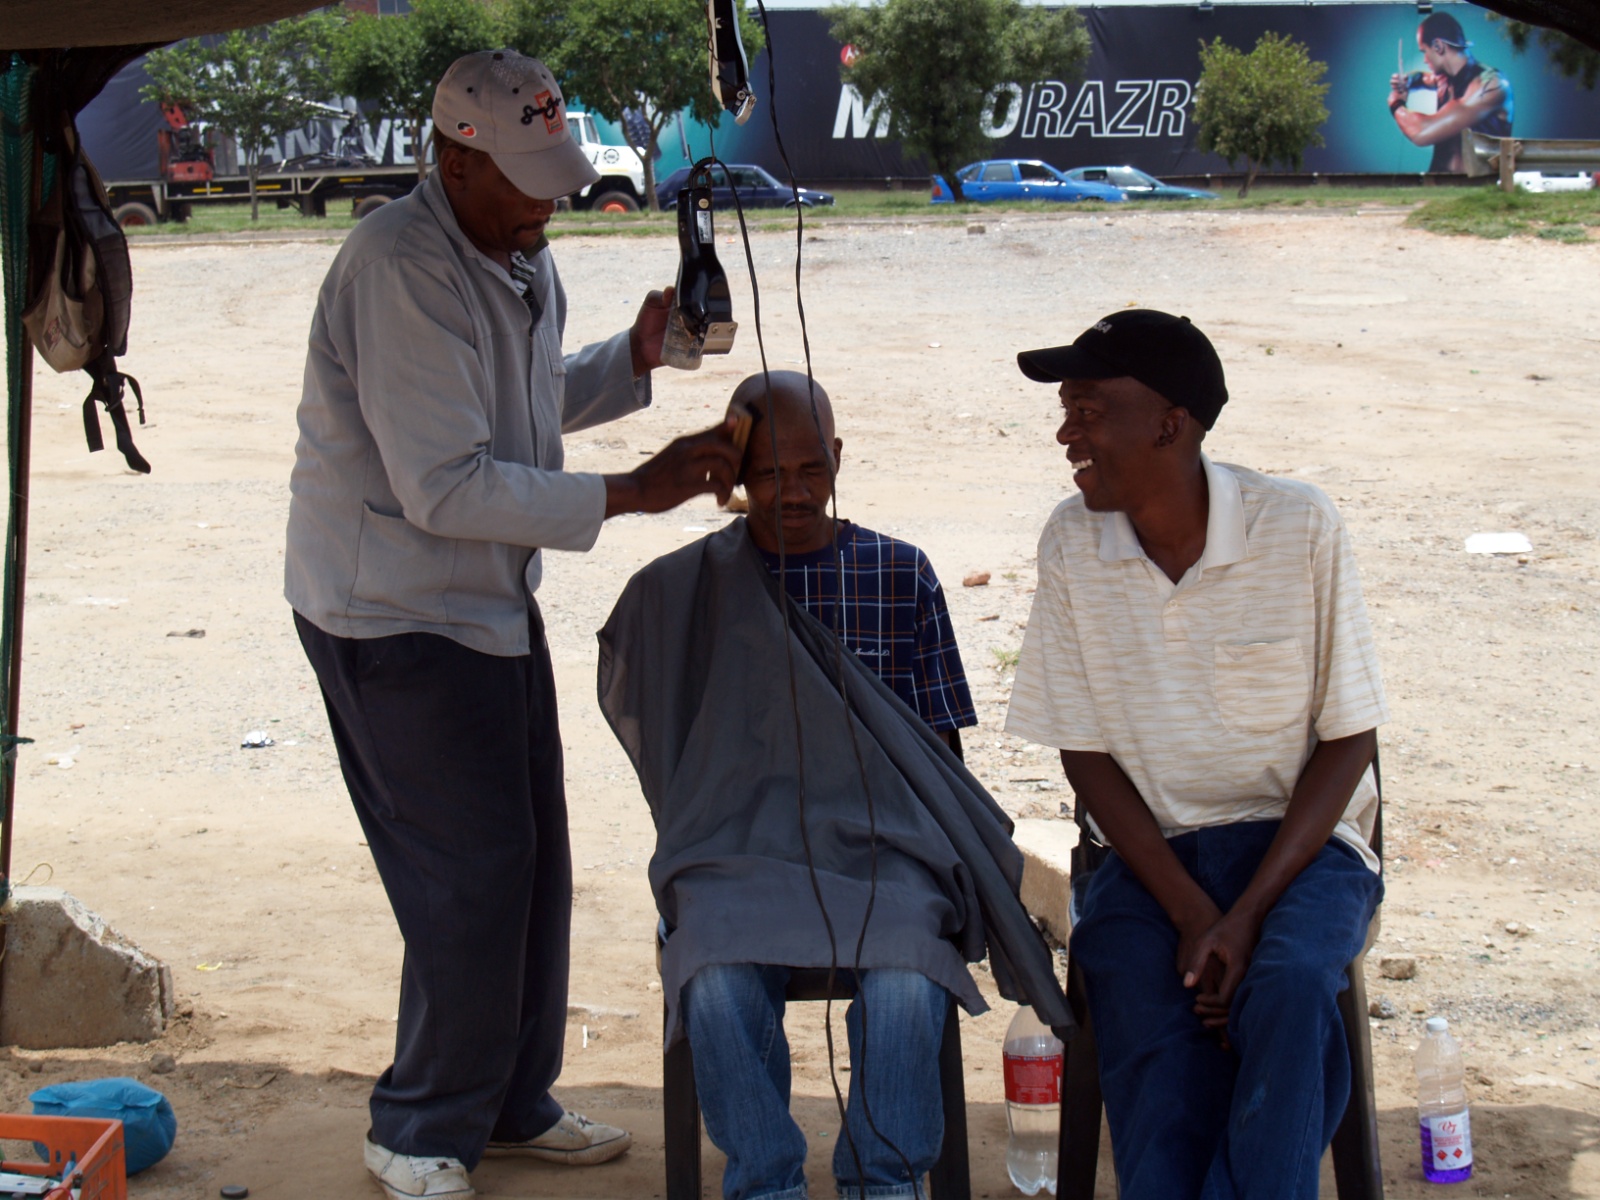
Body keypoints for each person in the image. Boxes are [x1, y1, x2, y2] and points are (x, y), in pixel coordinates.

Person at [284, 50, 740, 1200]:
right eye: (525, 180)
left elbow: (524, 414)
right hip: (391, 611)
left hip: (485, 601)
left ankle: (508, 1101)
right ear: (453, 157)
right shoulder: (400, 269)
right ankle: (420, 1123)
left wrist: (633, 361)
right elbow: (445, 483)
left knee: (528, 857)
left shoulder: (518, 257)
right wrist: (633, 491)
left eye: (557, 176)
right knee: (467, 874)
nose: (548, 201)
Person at [597, 371, 1070, 1200]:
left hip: (887, 854)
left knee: (904, 985)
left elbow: (937, 760)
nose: (793, 492)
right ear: (733, 476)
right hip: (736, 854)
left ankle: (884, 1181)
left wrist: (936, 866)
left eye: (812, 469)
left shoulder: (899, 574)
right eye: (771, 473)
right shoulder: (689, 590)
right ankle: (765, 1181)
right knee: (712, 981)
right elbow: (666, 742)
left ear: (840, 460)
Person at [1005, 310, 1388, 1200]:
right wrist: (1192, 914)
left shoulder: (1298, 526)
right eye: (1066, 410)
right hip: (1151, 862)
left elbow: (1350, 736)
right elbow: (1086, 756)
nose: (1068, 434)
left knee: (1290, 988)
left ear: (1171, 424)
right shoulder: (1073, 541)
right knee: (1143, 1008)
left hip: (1305, 852)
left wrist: (1245, 917)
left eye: (1091, 410)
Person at [1388, 11, 1513, 173]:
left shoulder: (1490, 85)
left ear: (1438, 46)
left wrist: (1396, 103)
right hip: (1436, 184)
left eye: (1424, 51)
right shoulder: (1443, 78)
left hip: (1477, 188)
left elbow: (1421, 131)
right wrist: (1408, 80)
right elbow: (1422, 77)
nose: (1425, 59)